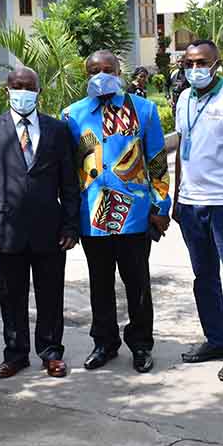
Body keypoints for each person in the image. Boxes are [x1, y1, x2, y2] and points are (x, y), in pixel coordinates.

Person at [63, 50, 171, 373]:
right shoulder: (72, 115)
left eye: (107, 68)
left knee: (137, 283)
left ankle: (140, 344)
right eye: (94, 70)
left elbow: (157, 162)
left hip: (135, 215)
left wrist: (160, 206)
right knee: (99, 283)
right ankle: (104, 342)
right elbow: (67, 169)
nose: (101, 74)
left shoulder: (144, 111)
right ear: (87, 75)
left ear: (118, 71)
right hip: (92, 217)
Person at [0, 66, 80, 379]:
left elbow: (70, 185)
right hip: (6, 231)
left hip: (50, 230)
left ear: (39, 92)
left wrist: (70, 225)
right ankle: (16, 353)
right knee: (11, 296)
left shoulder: (58, 131)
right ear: (8, 90)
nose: (23, 92)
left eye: (29, 87)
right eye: (17, 86)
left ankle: (51, 352)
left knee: (51, 295)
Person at [173, 40, 223, 382]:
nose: (194, 70)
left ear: (217, 64)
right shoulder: (184, 99)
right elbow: (180, 147)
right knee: (203, 277)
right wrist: (177, 196)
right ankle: (215, 340)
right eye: (189, 64)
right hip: (191, 204)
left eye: (201, 63)